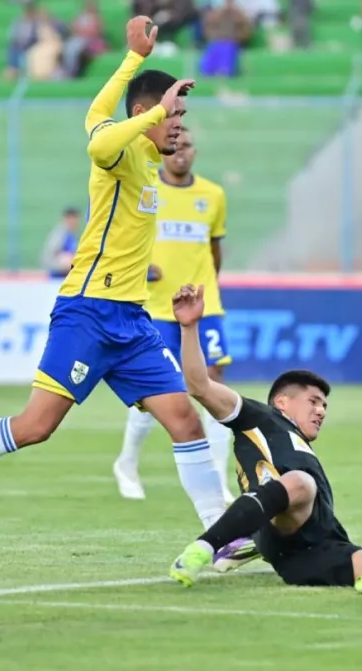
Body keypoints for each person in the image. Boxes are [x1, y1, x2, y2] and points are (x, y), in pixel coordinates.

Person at [0, 17, 230, 549]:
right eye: (174, 116)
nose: (180, 127)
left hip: (132, 319)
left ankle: (223, 537)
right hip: (88, 311)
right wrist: (146, 95)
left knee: (185, 421)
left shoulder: (147, 156)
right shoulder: (120, 152)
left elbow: (97, 112)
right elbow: (99, 141)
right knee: (36, 426)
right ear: (146, 114)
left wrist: (133, 59)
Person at [166, 284, 362, 594]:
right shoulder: (260, 417)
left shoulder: (302, 448)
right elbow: (199, 386)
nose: (321, 410)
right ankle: (207, 546)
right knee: (300, 482)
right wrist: (189, 327)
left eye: (324, 405)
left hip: (317, 552)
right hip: (285, 522)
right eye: (313, 401)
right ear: (282, 402)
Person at [114, 127, 237, 508]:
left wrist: (207, 287)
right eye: (175, 146)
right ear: (164, 151)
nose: (181, 153)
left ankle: (218, 481)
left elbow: (215, 249)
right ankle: (127, 463)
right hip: (156, 307)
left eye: (188, 146)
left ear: (195, 151)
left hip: (204, 305)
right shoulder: (147, 191)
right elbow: (126, 239)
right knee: (159, 389)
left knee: (214, 385)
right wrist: (141, 268)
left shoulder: (213, 195)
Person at [41, 206, 82, 278]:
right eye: (73, 218)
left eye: (76, 218)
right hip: (58, 274)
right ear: (66, 219)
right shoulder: (59, 234)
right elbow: (49, 256)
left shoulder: (75, 235)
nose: (75, 221)